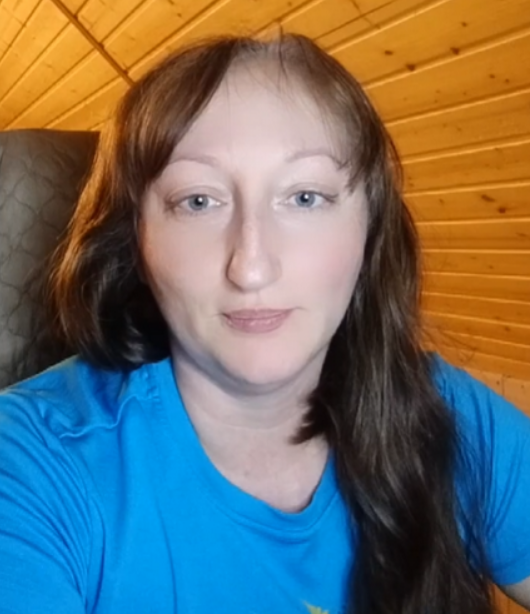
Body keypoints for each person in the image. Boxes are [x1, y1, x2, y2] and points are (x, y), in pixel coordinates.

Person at [0, 34, 529, 614]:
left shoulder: (453, 416)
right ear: (137, 245)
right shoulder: (27, 464)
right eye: (198, 201)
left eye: (304, 197)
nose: (250, 266)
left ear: (369, 230)